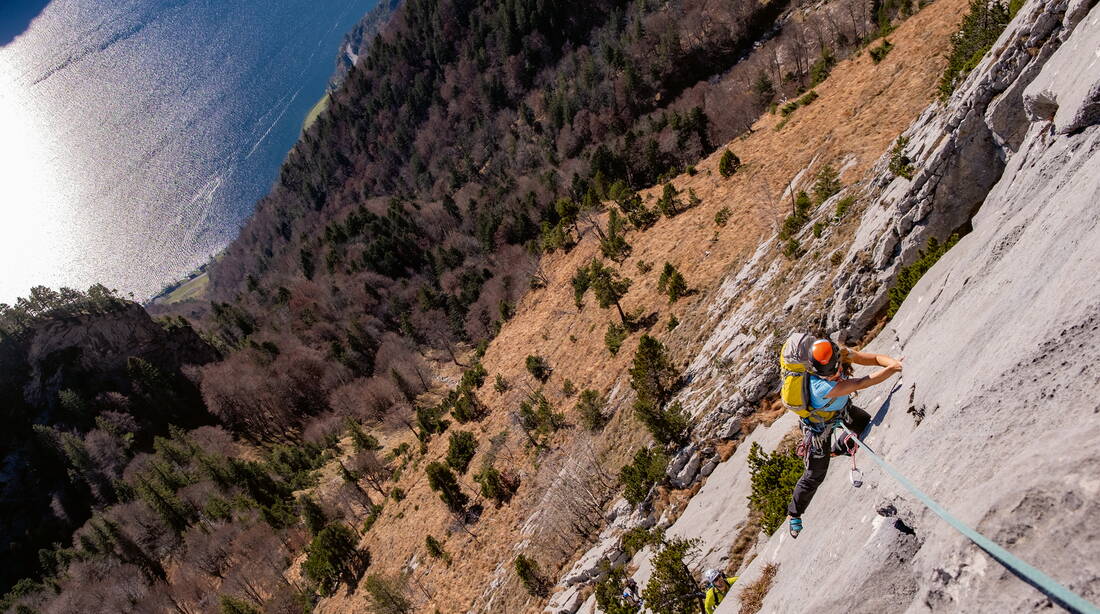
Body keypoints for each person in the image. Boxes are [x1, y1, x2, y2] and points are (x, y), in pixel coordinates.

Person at [787, 338, 902, 538]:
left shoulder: (838, 354)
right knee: (815, 475)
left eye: (835, 371)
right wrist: (893, 369)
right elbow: (862, 382)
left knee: (863, 422)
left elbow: (873, 358)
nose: (835, 376)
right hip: (818, 427)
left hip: (842, 410)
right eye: (829, 374)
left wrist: (892, 362)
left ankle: (837, 449)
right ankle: (794, 514)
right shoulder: (819, 388)